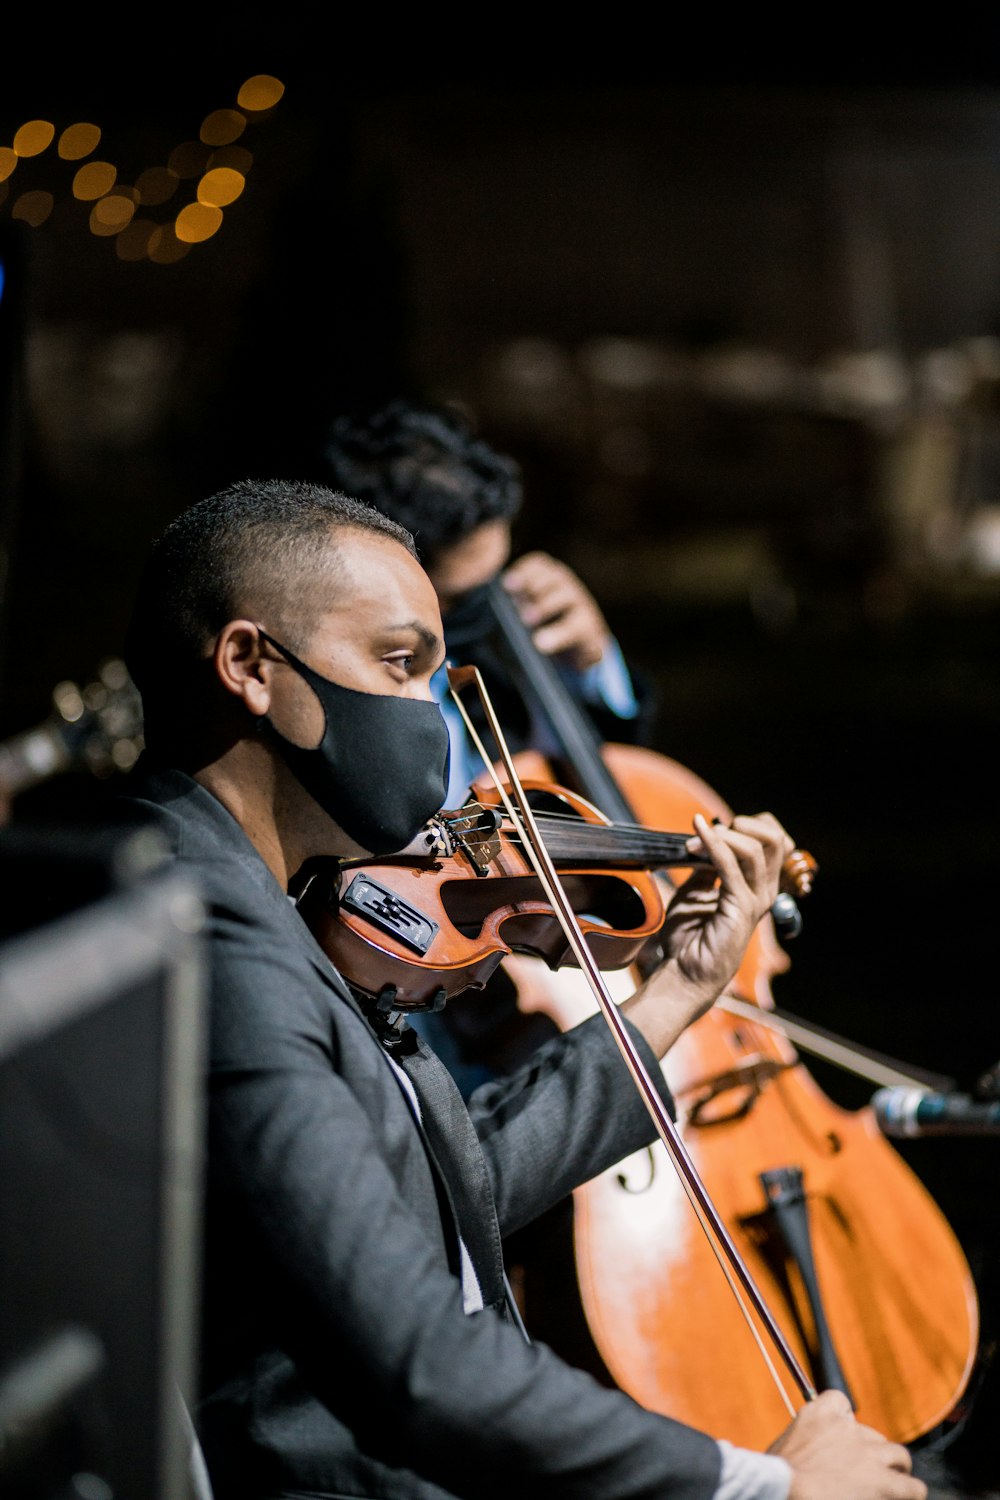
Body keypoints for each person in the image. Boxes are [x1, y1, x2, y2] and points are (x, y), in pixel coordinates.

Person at [118, 476, 924, 1500]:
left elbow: (444, 1196)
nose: (429, 719)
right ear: (249, 665)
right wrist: (763, 1487)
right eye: (399, 664)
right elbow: (417, 1362)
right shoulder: (210, 930)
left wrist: (674, 991)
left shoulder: (270, 905)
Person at [322, 399, 651, 1091]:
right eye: (466, 601)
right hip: (417, 995)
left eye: (496, 581)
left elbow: (615, 776)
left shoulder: (510, 638)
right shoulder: (338, 697)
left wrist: (592, 664)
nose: (491, 614)